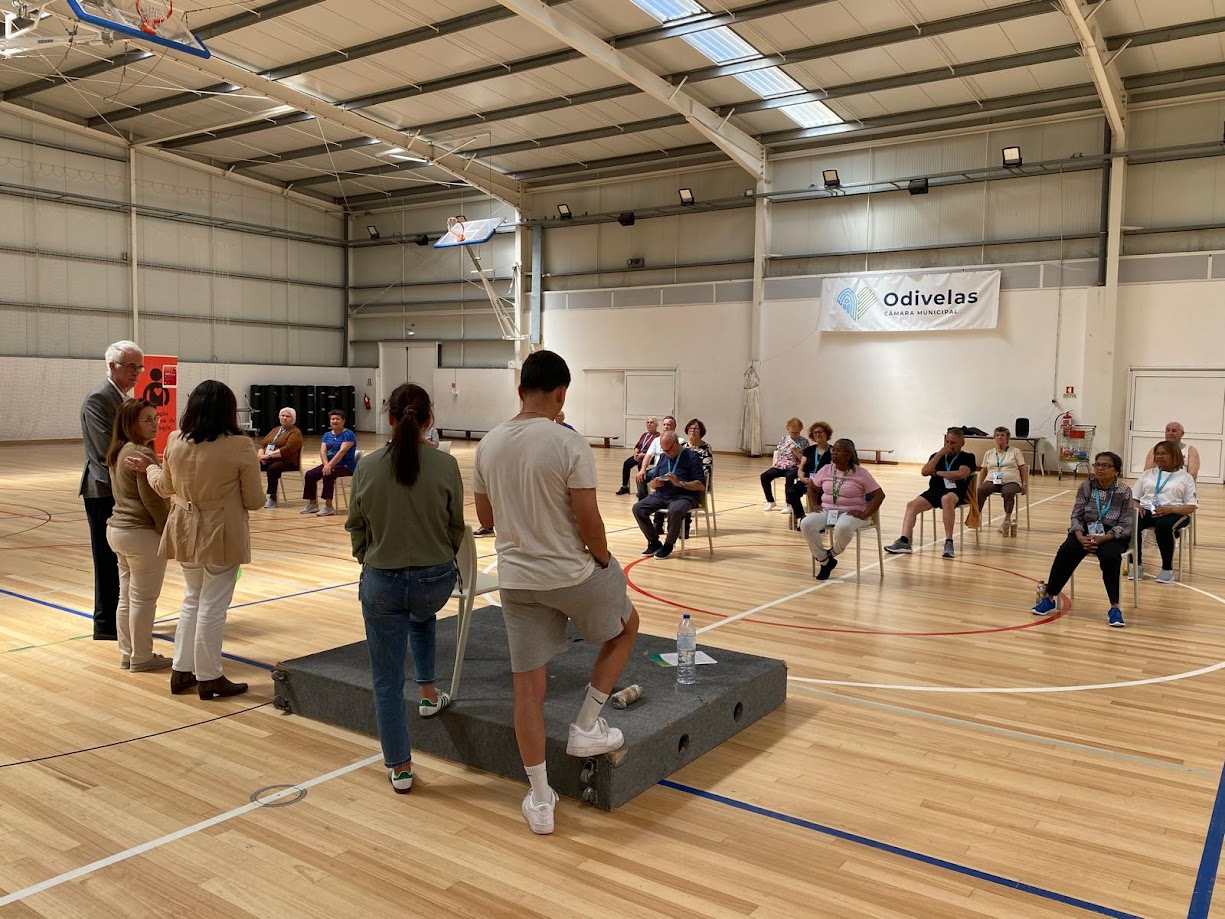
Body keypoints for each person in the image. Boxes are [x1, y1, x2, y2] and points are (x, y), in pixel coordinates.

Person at [472, 350, 640, 836]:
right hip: (571, 574)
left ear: (520, 390)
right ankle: (586, 726)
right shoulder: (569, 442)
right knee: (626, 626)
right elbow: (590, 522)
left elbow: (485, 519)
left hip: (518, 580)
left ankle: (541, 800)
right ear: (562, 392)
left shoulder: (488, 444)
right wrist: (604, 560)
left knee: (528, 689)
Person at [346, 383, 465, 794]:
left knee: (386, 680)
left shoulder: (367, 466)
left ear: (390, 418)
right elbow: (456, 527)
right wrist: (438, 560)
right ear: (429, 419)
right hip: (434, 582)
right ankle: (428, 692)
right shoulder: (446, 465)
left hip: (384, 579)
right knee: (421, 612)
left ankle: (400, 766)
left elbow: (356, 525)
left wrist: (368, 559)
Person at [128, 380, 265, 699]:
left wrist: (149, 469)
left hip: (184, 528)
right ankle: (209, 676)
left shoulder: (175, 439)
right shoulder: (240, 445)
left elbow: (164, 487)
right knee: (213, 606)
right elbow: (255, 500)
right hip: (221, 532)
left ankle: (181, 670)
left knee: (192, 598)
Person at [80, 339, 143, 640]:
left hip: (121, 489)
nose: (137, 373)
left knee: (123, 559)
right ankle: (105, 624)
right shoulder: (99, 399)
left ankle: (122, 620)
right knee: (106, 559)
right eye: (131, 366)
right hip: (104, 489)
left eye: (139, 367)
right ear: (112, 366)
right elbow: (107, 450)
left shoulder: (123, 399)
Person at [105, 399, 171, 672]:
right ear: (131, 423)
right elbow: (152, 500)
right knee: (143, 599)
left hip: (117, 531)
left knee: (126, 597)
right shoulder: (141, 454)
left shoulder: (118, 450)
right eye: (147, 420)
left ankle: (127, 653)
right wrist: (167, 528)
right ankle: (142, 657)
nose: (155, 424)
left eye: (156, 418)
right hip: (140, 533)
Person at [1031, 452, 1133, 627]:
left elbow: (1126, 522)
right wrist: (1080, 536)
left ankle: (1114, 607)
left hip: (1111, 534)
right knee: (1066, 551)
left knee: (1110, 557)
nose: (1099, 468)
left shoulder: (1124, 491)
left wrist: (1103, 538)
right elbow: (1076, 515)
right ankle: (1049, 597)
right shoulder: (1086, 487)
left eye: (1105, 466)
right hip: (1086, 529)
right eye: (1097, 465)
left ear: (1116, 471)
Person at [800, 439, 886, 580]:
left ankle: (832, 553)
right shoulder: (826, 469)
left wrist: (865, 513)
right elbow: (812, 488)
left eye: (839, 450)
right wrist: (814, 504)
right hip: (828, 510)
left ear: (849, 455)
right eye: (833, 450)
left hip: (852, 512)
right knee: (806, 523)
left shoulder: (861, 473)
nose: (834, 453)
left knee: (843, 527)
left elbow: (879, 495)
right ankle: (825, 561)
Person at [885, 428, 977, 559]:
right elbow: (925, 472)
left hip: (955, 492)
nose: (949, 446)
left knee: (946, 499)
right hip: (934, 491)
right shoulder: (937, 456)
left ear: (962, 443)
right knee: (912, 505)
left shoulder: (968, 457)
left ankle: (949, 541)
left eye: (953, 443)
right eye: (947, 442)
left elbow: (960, 474)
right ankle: (904, 541)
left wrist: (938, 473)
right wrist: (940, 454)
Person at [1131, 440, 1198, 584]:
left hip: (1175, 512)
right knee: (1131, 522)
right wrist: (1137, 505)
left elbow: (1191, 506)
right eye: (1157, 454)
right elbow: (1133, 498)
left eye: (1164, 453)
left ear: (1175, 455)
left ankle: (1167, 569)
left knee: (1163, 526)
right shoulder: (1147, 474)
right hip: (1148, 510)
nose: (1159, 456)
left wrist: (1170, 509)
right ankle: (1136, 565)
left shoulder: (1185, 477)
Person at [632, 431, 706, 559]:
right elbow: (652, 484)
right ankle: (654, 542)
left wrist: (680, 483)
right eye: (664, 450)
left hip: (684, 496)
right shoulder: (663, 457)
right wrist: (655, 484)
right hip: (662, 494)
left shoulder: (692, 457)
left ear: (676, 443)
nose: (667, 453)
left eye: (669, 450)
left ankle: (668, 544)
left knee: (675, 510)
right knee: (638, 508)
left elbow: (701, 485)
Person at [302, 409, 357, 517]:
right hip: (329, 464)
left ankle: (328, 506)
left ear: (343, 421)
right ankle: (312, 504)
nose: (335, 421)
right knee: (310, 474)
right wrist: (326, 464)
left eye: (337, 419)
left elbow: (342, 451)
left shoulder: (348, 434)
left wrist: (330, 465)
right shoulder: (327, 435)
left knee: (328, 474)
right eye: (332, 419)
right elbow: (322, 451)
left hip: (345, 465)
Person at [975, 426, 1029, 537]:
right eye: (997, 435)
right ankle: (977, 516)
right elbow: (984, 470)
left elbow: (1022, 468)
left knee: (1008, 492)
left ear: (1007, 438)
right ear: (994, 437)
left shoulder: (1015, 451)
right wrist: (979, 485)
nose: (1000, 437)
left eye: (1002, 435)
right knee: (981, 491)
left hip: (1011, 481)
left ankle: (1006, 520)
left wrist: (1024, 484)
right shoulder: (989, 453)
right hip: (992, 480)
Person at [257, 406, 303, 509]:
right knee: (252, 465)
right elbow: (262, 444)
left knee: (273, 468)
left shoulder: (295, 432)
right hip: (269, 458)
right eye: (283, 415)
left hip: (287, 461)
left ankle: (272, 497)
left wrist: (268, 456)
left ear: (293, 419)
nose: (284, 418)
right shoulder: (276, 429)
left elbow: (287, 449)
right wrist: (261, 456)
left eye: (288, 416)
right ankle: (255, 494)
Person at [787, 421, 832, 523]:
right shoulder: (809, 450)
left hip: (823, 483)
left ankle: (819, 521)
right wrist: (802, 478)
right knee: (791, 492)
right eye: (815, 433)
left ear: (827, 433)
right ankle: (801, 517)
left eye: (820, 432)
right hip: (807, 480)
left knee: (821, 494)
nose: (817, 434)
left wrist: (818, 482)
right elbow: (801, 468)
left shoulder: (832, 451)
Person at [761, 418, 808, 511]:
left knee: (789, 477)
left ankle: (789, 503)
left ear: (800, 430)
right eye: (792, 432)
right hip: (781, 465)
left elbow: (804, 459)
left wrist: (795, 451)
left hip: (795, 466)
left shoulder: (804, 442)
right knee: (764, 476)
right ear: (788, 430)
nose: (794, 434)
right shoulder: (784, 440)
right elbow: (779, 453)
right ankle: (770, 501)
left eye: (796, 432)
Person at [635, 415, 677, 499]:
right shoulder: (657, 440)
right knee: (640, 477)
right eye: (664, 424)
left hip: (672, 470)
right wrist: (642, 470)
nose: (666, 427)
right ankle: (643, 501)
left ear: (674, 426)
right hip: (656, 469)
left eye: (668, 425)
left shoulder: (680, 441)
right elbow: (648, 456)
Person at [616, 417, 659, 495]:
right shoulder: (644, 435)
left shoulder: (658, 436)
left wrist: (644, 455)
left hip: (649, 457)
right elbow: (638, 446)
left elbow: (656, 451)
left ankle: (641, 490)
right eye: (648, 422)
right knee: (627, 463)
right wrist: (635, 453)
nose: (649, 424)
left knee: (641, 464)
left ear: (656, 425)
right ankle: (624, 487)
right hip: (639, 455)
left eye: (651, 422)